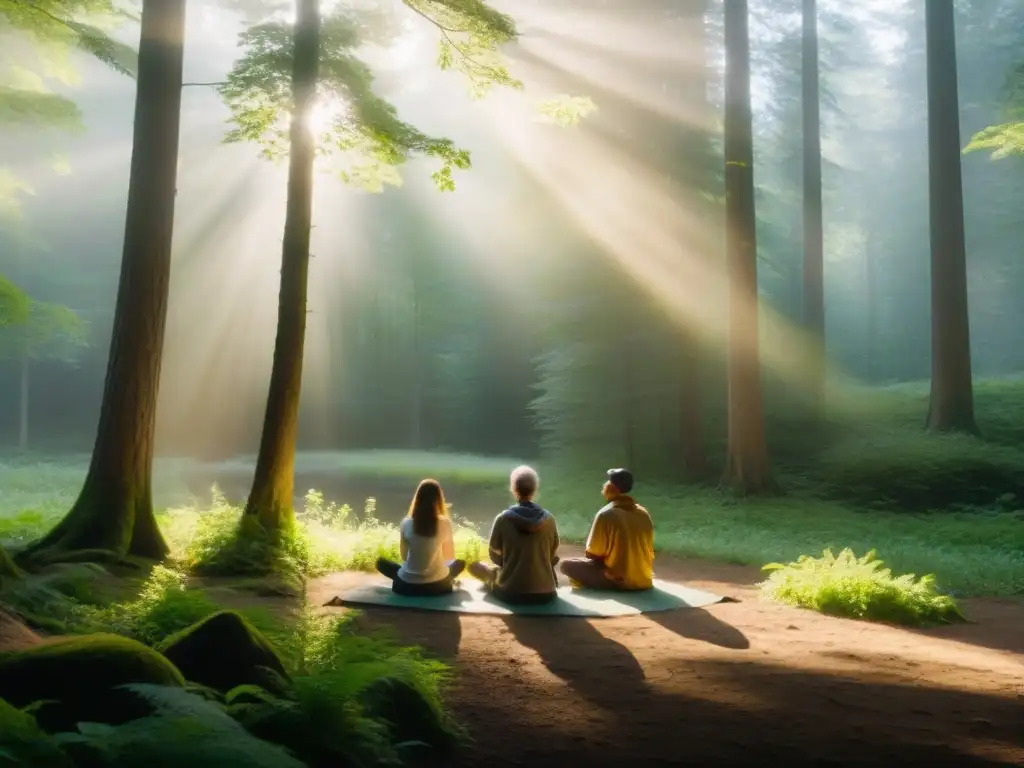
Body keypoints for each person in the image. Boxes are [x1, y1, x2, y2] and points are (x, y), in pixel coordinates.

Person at [468, 465, 560, 604]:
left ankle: (496, 579)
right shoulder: (549, 519)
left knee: (475, 566)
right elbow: (552, 554)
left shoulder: (503, 519)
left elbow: (494, 553)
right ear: (535, 490)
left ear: (513, 489)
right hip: (546, 594)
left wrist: (509, 564)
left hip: (510, 593)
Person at [559, 468, 654, 591]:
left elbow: (593, 554)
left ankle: (589, 590)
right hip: (644, 580)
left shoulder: (606, 514)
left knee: (566, 565)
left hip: (619, 582)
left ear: (611, 488)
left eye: (608, 483)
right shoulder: (643, 513)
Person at [376, 479, 466, 596]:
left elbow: (404, 557)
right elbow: (449, 556)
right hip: (438, 587)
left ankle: (410, 575)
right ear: (439, 500)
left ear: (417, 499)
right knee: (460, 563)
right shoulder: (445, 522)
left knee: (381, 563)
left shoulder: (406, 523)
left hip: (405, 586)